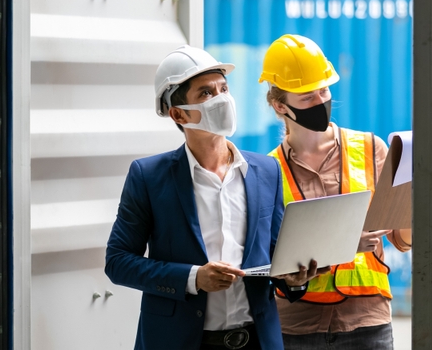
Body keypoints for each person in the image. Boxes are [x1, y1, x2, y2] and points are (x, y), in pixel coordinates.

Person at [105, 45, 325, 350]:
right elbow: (118, 263)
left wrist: (294, 279)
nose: (222, 99)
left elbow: (276, 254)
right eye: (206, 93)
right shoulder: (149, 176)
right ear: (178, 114)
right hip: (180, 341)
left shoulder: (266, 170)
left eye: (224, 89)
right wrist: (193, 278)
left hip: (256, 340)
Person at [258, 34, 412, 350]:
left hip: (367, 320)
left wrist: (414, 196)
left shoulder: (372, 149)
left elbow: (404, 240)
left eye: (324, 90)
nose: (320, 102)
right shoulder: (267, 169)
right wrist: (344, 244)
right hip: (297, 325)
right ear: (279, 105)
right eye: (306, 97)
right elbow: (266, 258)